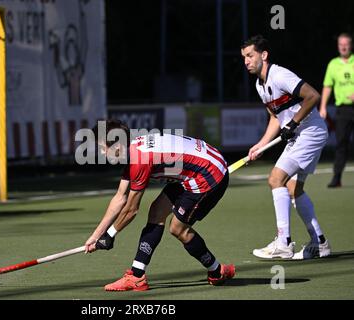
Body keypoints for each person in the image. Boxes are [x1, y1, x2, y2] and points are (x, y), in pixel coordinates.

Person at [84, 119, 234, 291]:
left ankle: (216, 271)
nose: (102, 153)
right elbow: (120, 198)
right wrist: (97, 235)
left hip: (208, 175)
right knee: (156, 212)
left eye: (104, 148)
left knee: (178, 229)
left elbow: (131, 210)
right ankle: (137, 276)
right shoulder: (132, 149)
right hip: (193, 171)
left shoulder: (139, 160)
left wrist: (110, 234)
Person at [240, 35, 331, 260]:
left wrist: (294, 122)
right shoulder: (260, 85)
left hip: (310, 133)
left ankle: (283, 242)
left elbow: (312, 96)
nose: (246, 62)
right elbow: (275, 118)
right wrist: (260, 145)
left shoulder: (279, 75)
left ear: (264, 55)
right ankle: (319, 243)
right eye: (244, 58)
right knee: (293, 189)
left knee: (275, 179)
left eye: (250, 56)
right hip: (298, 136)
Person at [319, 32, 354, 188]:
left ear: (351, 45)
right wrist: (323, 106)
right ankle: (337, 178)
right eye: (341, 44)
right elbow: (328, 86)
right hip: (343, 110)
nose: (344, 47)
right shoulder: (333, 64)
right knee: (341, 143)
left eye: (346, 44)